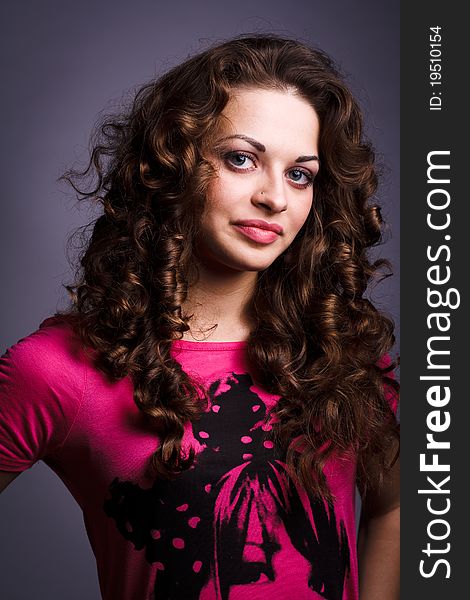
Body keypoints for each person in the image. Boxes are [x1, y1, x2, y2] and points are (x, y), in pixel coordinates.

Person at [0, 34, 399, 599]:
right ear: (173, 163)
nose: (274, 198)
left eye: (300, 174)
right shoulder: (57, 369)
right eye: (242, 159)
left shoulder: (340, 346)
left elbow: (400, 504)